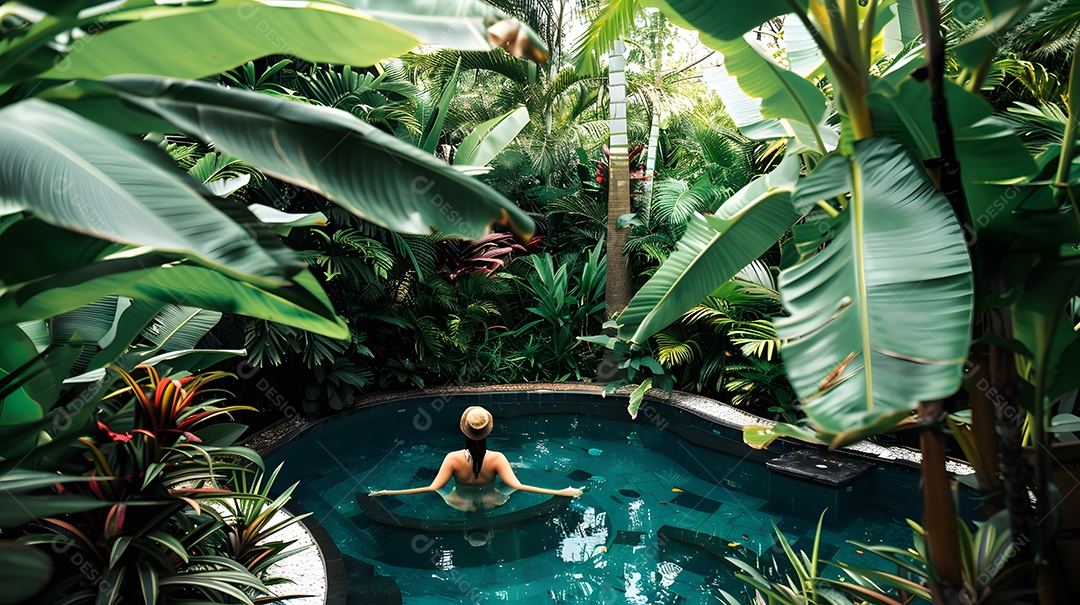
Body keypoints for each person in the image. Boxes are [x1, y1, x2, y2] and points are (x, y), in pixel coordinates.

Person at [369, 406, 585, 511]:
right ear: (487, 431)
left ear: (465, 430)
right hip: (493, 502)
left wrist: (388, 492)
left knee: (442, 490)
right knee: (512, 483)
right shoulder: (497, 458)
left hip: (459, 503)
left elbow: (432, 487)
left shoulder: (452, 458)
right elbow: (518, 485)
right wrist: (561, 491)